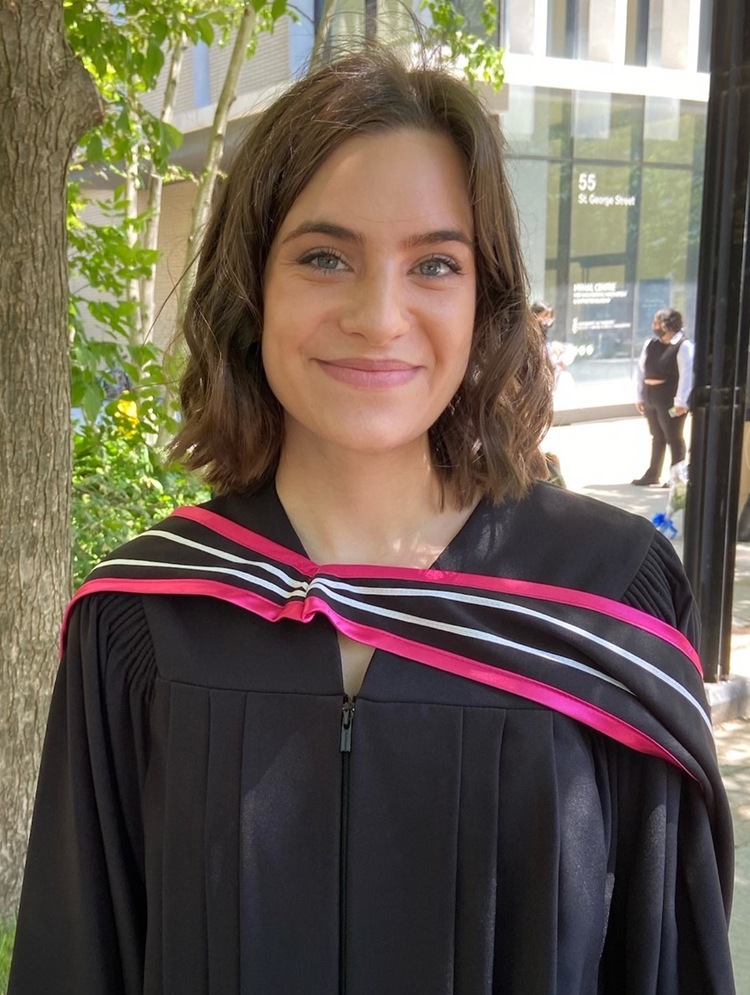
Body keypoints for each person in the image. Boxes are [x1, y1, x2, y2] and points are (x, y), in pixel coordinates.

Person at [10, 48, 734, 995]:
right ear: (251, 289)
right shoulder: (143, 619)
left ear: (487, 301)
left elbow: (666, 957)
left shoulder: (609, 597)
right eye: (324, 256)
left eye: (435, 263)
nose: (379, 314)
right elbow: (78, 959)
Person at [632, 307, 694, 486]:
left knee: (673, 436)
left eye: (657, 322)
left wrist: (681, 401)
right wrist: (640, 395)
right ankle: (653, 473)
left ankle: (677, 476)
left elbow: (686, 374)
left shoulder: (683, 346)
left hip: (670, 398)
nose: (654, 326)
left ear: (668, 324)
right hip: (652, 397)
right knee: (657, 436)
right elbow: (641, 370)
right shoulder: (651, 344)